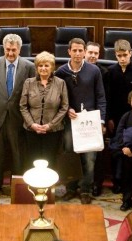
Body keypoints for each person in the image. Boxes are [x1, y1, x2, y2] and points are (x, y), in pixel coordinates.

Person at [55, 37, 106, 204]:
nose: (77, 53)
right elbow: (58, 97)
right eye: (74, 50)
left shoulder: (94, 71)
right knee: (71, 155)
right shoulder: (61, 72)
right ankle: (70, 188)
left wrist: (102, 121)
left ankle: (85, 189)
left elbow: (101, 97)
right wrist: (67, 108)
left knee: (89, 157)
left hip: (90, 122)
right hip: (70, 122)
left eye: (80, 50)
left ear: (85, 52)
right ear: (69, 51)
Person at [0, 33, 36, 196]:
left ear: (20, 49)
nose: (11, 53)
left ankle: (18, 184)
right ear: (3, 49)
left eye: (14, 50)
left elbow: (31, 92)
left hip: (17, 116)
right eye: (8, 50)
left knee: (17, 152)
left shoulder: (29, 66)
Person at [20, 51, 69, 169]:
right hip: (31, 131)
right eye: (40, 65)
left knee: (50, 161)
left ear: (52, 67)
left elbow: (64, 107)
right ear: (36, 67)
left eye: (46, 65)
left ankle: (49, 187)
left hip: (53, 131)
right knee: (32, 161)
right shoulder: (28, 82)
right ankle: (32, 187)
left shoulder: (60, 83)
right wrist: (32, 124)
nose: (43, 68)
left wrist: (50, 125)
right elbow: (23, 106)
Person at [85, 41, 110, 197]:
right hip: (79, 118)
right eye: (90, 53)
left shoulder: (104, 73)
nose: (93, 56)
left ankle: (96, 184)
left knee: (97, 155)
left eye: (96, 53)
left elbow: (105, 98)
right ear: (85, 53)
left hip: (97, 119)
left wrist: (103, 121)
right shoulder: (76, 71)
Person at [106, 39, 132, 137]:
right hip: (115, 115)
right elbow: (108, 96)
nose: (122, 59)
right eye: (119, 56)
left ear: (130, 53)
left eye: (125, 55)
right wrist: (109, 118)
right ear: (115, 55)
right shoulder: (110, 71)